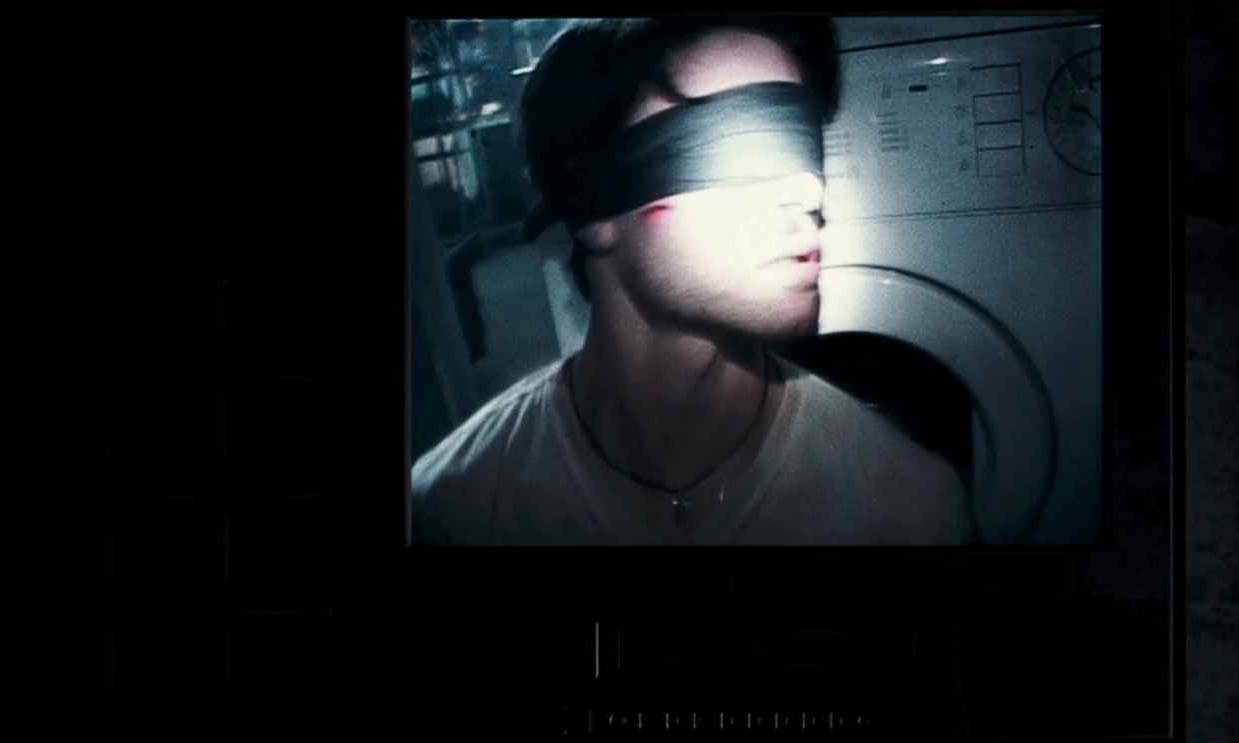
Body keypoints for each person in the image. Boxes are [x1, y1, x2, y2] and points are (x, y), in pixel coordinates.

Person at [411, 17, 973, 546]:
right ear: (596, 205)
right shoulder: (456, 508)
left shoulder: (908, 510)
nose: (809, 191)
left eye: (805, 142)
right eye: (740, 144)